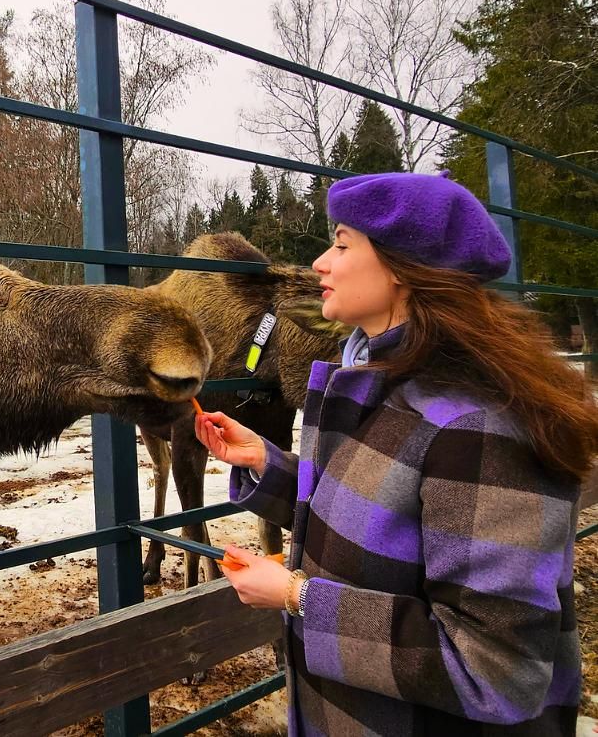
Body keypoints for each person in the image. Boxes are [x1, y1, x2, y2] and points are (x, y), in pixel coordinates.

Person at [195, 171, 598, 736]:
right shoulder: (384, 384)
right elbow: (391, 523)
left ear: (403, 270)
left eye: (340, 243)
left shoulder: (478, 426)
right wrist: (267, 464)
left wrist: (296, 595)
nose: (319, 263)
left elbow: (497, 669)